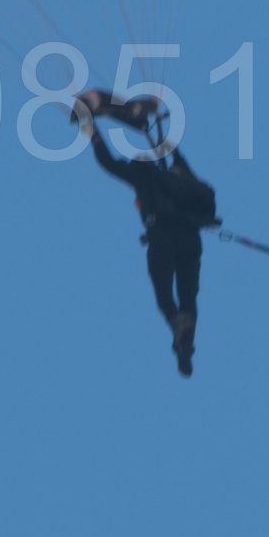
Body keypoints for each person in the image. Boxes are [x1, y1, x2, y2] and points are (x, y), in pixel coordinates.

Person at [86, 117, 217, 376]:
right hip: (191, 239)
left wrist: (91, 130)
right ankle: (185, 333)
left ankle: (179, 329)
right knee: (188, 295)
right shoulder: (179, 175)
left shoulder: (141, 176)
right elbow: (177, 156)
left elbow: (108, 162)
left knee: (164, 295)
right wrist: (163, 143)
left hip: (163, 238)